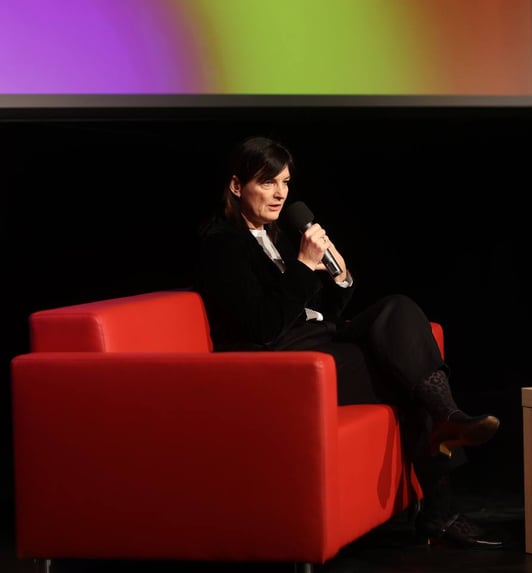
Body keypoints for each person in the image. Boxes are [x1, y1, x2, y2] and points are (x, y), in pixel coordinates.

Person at [193, 135, 503, 548]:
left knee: (398, 308)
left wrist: (338, 278)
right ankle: (440, 507)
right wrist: (303, 267)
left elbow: (319, 311)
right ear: (237, 185)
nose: (281, 194)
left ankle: (448, 416)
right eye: (268, 183)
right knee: (402, 374)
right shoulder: (222, 245)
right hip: (282, 361)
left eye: (285, 183)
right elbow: (263, 326)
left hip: (317, 338)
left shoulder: (277, 235)